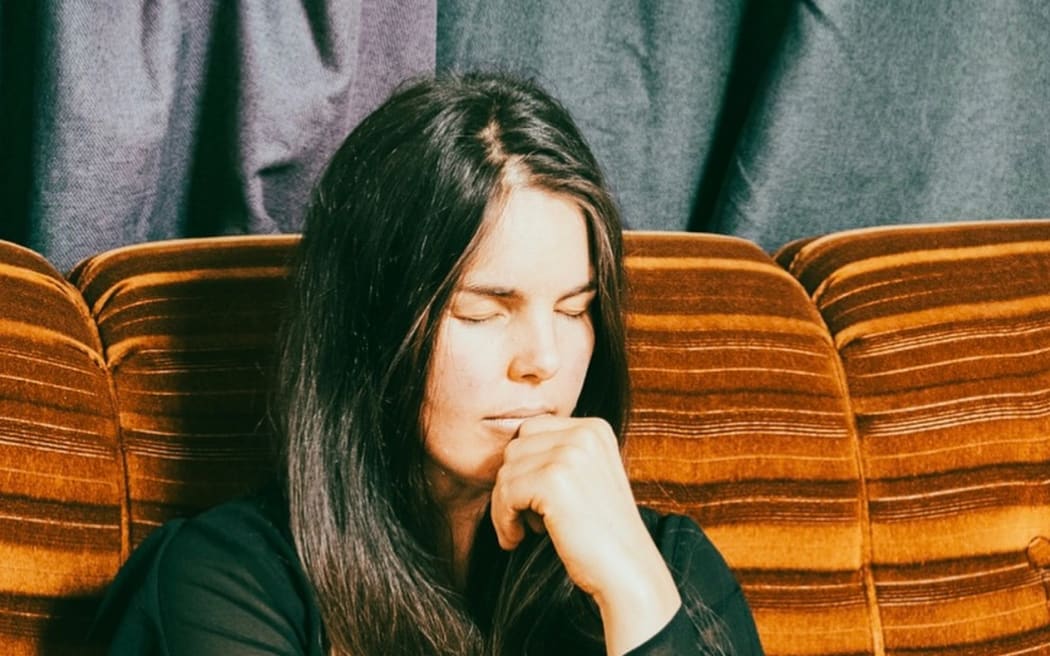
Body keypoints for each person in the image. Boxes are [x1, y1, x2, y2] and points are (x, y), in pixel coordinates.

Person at [95, 71, 763, 655]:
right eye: (484, 310)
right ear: (372, 326)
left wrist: (635, 595)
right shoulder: (226, 581)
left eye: (573, 308)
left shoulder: (664, 568)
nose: (544, 360)